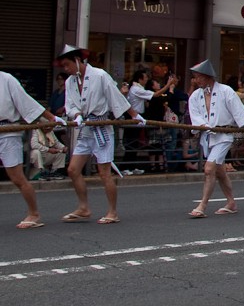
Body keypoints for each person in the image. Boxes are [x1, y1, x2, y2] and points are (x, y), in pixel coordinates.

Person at [58, 44, 144, 224]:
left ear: (77, 60)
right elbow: (70, 105)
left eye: (67, 65)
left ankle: (112, 212)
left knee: (104, 172)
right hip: (86, 128)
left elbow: (116, 97)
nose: (66, 69)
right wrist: (76, 115)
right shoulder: (70, 82)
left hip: (101, 127)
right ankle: (83, 207)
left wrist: (135, 115)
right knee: (73, 169)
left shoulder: (100, 75)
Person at [186, 59, 244, 218]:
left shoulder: (226, 91)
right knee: (220, 172)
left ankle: (202, 205)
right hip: (208, 136)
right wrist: (202, 125)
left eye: (198, 77)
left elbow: (238, 110)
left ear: (207, 76)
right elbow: (195, 116)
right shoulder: (195, 96)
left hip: (224, 135)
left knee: (209, 168)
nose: (195, 80)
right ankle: (231, 202)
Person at [2, 57, 66, 228]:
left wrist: (52, 118)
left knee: (16, 177)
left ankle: (34, 214)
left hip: (8, 131)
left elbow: (28, 103)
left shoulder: (7, 79)